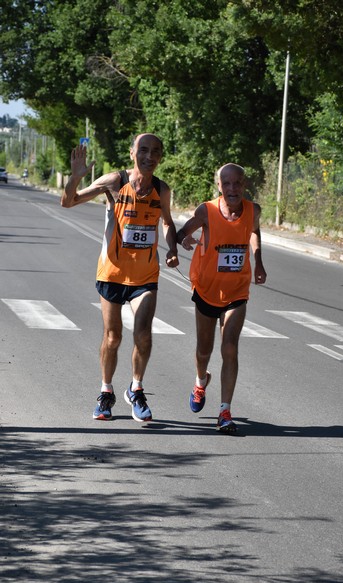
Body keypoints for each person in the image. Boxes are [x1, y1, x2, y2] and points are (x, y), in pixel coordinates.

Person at [60, 133, 179, 421]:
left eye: (156, 152)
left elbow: (167, 222)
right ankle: (106, 392)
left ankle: (136, 389)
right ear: (132, 153)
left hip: (145, 277)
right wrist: (75, 177)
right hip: (112, 274)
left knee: (143, 333)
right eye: (144, 150)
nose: (150, 156)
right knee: (113, 337)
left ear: (160, 157)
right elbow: (69, 202)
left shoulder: (162, 189)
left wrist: (173, 247)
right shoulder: (115, 181)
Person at [176, 163, 266, 435]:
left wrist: (259, 261)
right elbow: (181, 233)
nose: (232, 188)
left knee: (230, 347)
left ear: (244, 185)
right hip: (206, 289)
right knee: (204, 350)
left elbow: (254, 230)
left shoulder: (254, 210)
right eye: (226, 183)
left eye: (237, 183)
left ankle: (225, 411)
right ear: (219, 187)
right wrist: (183, 241)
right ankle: (201, 381)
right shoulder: (207, 210)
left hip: (237, 291)